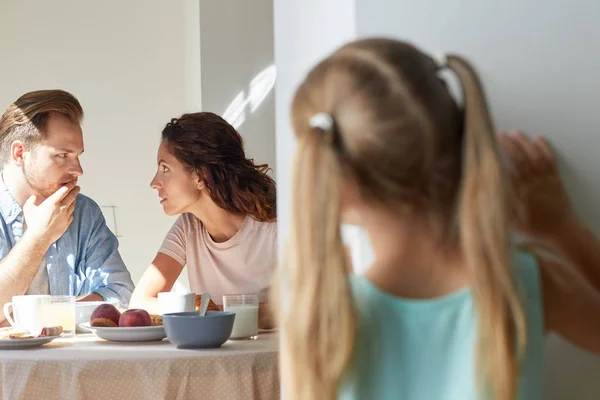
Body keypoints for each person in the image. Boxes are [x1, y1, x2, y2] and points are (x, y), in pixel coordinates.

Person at [279, 38, 600, 400]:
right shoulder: (524, 283)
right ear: (458, 140)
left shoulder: (316, 319)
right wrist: (561, 227)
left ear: (334, 183)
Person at [130, 112, 277, 328]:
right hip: (213, 354)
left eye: (166, 169)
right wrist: (210, 313)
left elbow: (303, 306)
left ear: (201, 175)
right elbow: (140, 302)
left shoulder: (273, 225)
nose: (155, 182)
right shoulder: (188, 226)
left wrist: (211, 314)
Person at [0, 90, 135, 324]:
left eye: (77, 155)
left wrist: (41, 318)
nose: (78, 170)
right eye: (62, 155)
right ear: (20, 153)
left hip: (71, 360)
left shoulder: (84, 213)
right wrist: (39, 237)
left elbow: (120, 293)